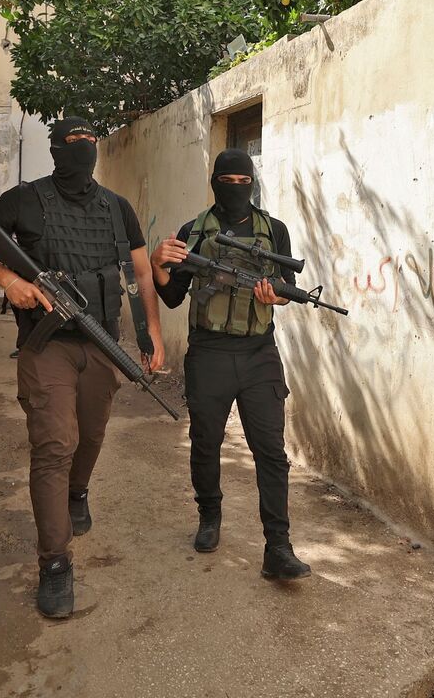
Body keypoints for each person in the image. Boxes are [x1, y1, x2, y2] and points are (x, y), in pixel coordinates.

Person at [0, 116, 165, 618]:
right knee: (54, 445)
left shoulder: (117, 209)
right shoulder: (24, 199)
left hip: (101, 343)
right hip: (45, 346)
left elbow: (138, 272)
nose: (85, 149)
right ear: (56, 149)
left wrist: (151, 332)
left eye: (92, 141)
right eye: (74, 142)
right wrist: (9, 281)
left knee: (90, 437)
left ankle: (78, 492)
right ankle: (55, 563)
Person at [149, 148, 311, 581]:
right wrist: (157, 264)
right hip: (209, 353)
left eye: (244, 181)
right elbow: (171, 296)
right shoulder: (193, 231)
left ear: (253, 182)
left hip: (259, 354)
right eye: (228, 181)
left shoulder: (273, 230)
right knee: (205, 442)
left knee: (271, 453)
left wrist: (275, 296)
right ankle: (209, 516)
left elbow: (286, 289)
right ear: (214, 181)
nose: (236, 188)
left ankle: (278, 547)